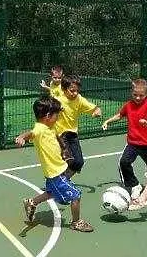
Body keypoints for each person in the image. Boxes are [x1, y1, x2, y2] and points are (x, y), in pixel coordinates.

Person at [15, 95, 94, 232]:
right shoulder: (40, 129)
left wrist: (63, 148)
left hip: (58, 170)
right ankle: (76, 222)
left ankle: (32, 202)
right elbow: (30, 133)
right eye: (56, 115)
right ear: (47, 116)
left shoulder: (50, 126)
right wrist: (21, 137)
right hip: (55, 174)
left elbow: (56, 135)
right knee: (76, 195)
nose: (58, 117)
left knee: (51, 192)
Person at [102, 79, 147, 199]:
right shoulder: (129, 105)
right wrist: (108, 121)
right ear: (131, 92)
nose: (138, 98)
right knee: (124, 162)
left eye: (141, 95)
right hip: (133, 143)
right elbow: (120, 115)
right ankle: (135, 185)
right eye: (135, 95)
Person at [53, 74, 102, 178]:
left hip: (72, 134)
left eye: (77, 90)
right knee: (68, 160)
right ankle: (59, 181)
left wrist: (97, 111)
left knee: (79, 162)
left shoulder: (79, 99)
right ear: (64, 89)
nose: (75, 93)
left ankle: (64, 180)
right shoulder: (57, 100)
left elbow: (95, 108)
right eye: (72, 90)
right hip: (60, 135)